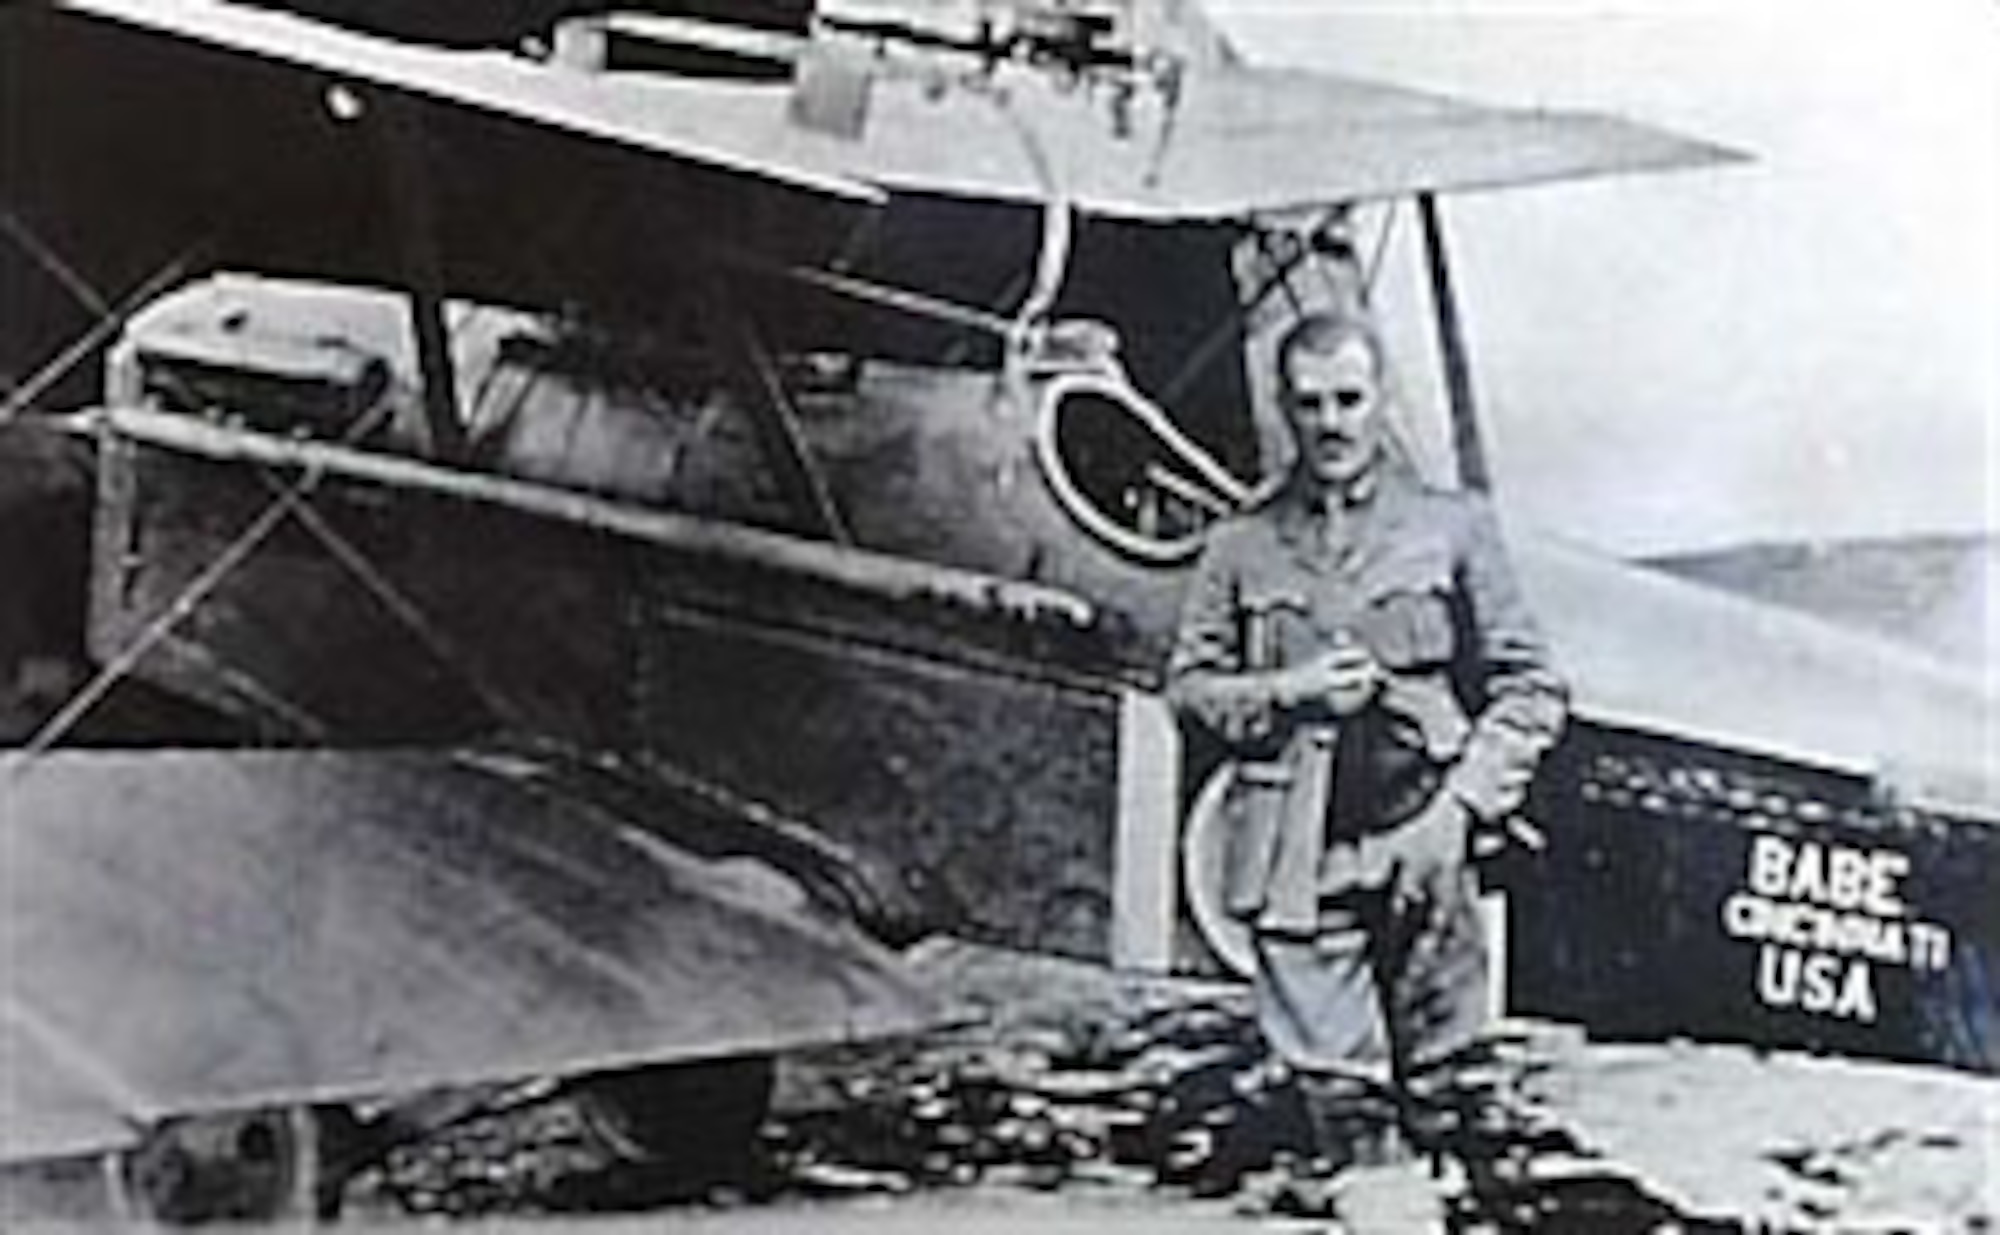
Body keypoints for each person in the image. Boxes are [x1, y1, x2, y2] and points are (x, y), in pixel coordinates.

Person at [1166, 310, 1567, 1217]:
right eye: (1310, 403)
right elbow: (1188, 689)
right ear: (1285, 409)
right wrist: (1291, 687)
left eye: (1350, 398)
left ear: (1381, 398)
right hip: (1296, 862)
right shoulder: (1241, 545)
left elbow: (1532, 688)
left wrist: (1463, 808)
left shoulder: (1453, 529)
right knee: (1345, 1113)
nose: (1332, 422)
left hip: (1426, 843)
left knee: (1449, 1097)